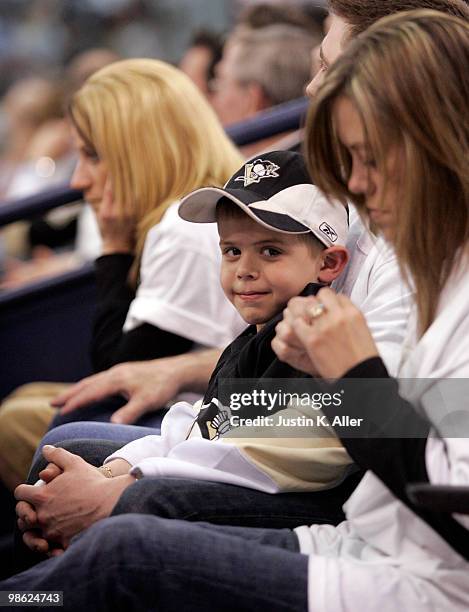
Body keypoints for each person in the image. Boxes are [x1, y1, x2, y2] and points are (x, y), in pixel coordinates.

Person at [3, 10, 469, 610]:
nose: (356, 181)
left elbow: (430, 482)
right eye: (232, 251)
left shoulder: (423, 270)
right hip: (360, 534)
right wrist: (144, 456)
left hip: (411, 573)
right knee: (81, 469)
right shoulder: (420, 256)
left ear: (429, 142)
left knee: (123, 546)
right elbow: (243, 406)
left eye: (370, 158)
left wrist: (353, 380)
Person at [14, 150, 361, 560]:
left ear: (329, 262)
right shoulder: (253, 340)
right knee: (65, 459)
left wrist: (121, 484)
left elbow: (242, 454)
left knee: (141, 499)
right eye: (232, 251)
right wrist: (112, 471)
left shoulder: (309, 344)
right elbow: (205, 425)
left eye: (270, 251)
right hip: (235, 468)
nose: (244, 269)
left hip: (302, 507)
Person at [0, 58, 245, 490]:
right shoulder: (177, 217)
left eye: (93, 156)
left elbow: (120, 372)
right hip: (194, 408)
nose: (78, 179)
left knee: (16, 421)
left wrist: (112, 248)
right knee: (26, 399)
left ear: (140, 152)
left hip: (203, 420)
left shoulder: (183, 226)